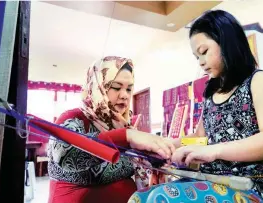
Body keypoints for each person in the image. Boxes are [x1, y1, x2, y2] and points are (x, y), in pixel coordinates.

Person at [128, 10, 263, 203]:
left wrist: (216, 150)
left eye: (204, 52)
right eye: (197, 57)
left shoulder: (258, 81)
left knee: (160, 198)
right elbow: (200, 139)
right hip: (212, 181)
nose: (201, 62)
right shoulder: (212, 93)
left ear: (227, 42)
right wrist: (166, 144)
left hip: (249, 185)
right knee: (140, 198)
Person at [47, 56, 175, 203]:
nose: (125, 95)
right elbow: (66, 156)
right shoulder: (74, 118)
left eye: (128, 89)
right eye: (116, 87)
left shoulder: (121, 124)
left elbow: (139, 160)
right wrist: (126, 136)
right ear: (98, 87)